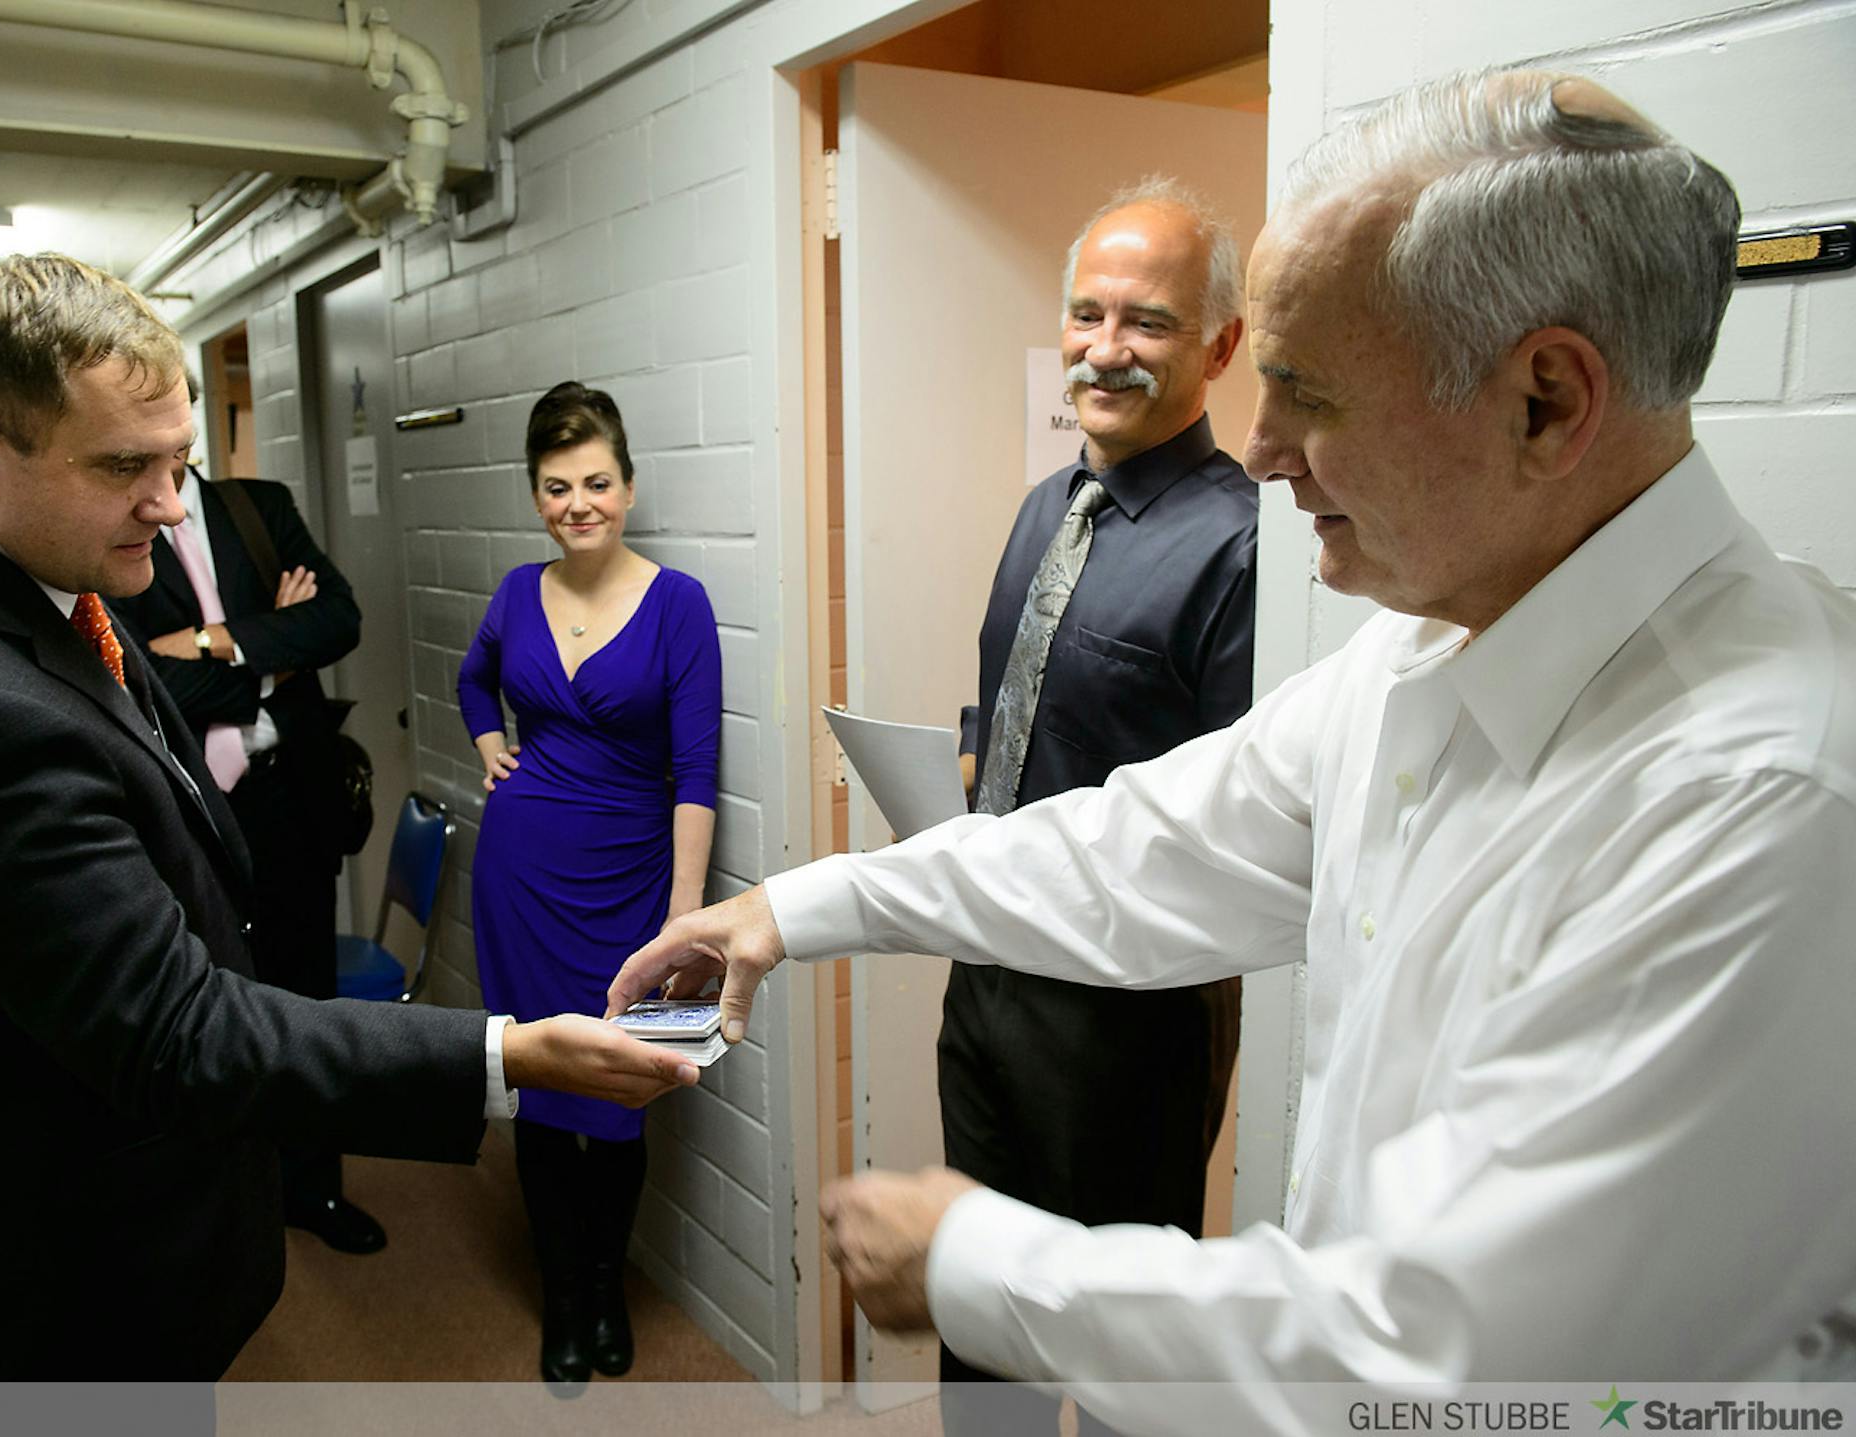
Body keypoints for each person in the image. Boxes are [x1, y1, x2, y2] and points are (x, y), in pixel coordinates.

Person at [612, 69, 1856, 1430]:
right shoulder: (1428, 645)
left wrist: (977, 1258)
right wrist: (792, 908)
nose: (1259, 451)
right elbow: (1135, 848)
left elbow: (1449, 1359)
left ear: (1547, 401)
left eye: (1309, 394)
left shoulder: (1762, 798)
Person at [0, 254, 698, 1381]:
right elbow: (172, 1030)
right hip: (47, 1264)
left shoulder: (17, 576)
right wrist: (507, 1054)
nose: (168, 506)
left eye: (181, 464)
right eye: (126, 468)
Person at [943, 177, 1255, 1435]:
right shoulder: (1042, 509)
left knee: (1126, 1364)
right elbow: (1004, 704)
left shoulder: (1240, 549)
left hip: (1125, 1027)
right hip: (989, 987)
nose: (1105, 349)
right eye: (1087, 314)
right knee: (985, 1326)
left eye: (1150, 323)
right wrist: (970, 766)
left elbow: (1243, 825)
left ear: (1220, 345)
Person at [457, 380, 721, 1385]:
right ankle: (562, 1300)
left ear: (630, 486)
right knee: (535, 1091)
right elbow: (473, 677)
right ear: (536, 496)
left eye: (598, 482)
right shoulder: (517, 593)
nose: (580, 504)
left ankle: (607, 1286)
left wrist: (684, 913)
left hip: (629, 882)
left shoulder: (678, 605)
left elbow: (696, 772)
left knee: (618, 1097)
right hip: (519, 878)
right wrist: (489, 743)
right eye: (558, 486)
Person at [107, 454, 388, 1255]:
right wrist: (271, 654)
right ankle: (228, 1201)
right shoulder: (116, 522)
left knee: (305, 998)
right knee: (207, 1002)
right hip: (190, 808)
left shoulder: (258, 509)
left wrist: (208, 641)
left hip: (287, 798)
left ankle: (315, 1189)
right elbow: (131, 676)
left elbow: (338, 619)